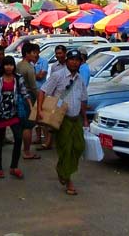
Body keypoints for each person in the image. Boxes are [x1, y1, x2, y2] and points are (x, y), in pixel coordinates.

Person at [36, 48, 89, 196]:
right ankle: (68, 179)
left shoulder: (80, 79)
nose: (74, 62)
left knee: (79, 147)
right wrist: (40, 110)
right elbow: (43, 91)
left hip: (76, 118)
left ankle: (62, 169)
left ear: (80, 62)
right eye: (71, 59)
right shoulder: (58, 76)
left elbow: (83, 99)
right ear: (66, 61)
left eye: (77, 60)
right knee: (65, 149)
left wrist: (84, 118)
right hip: (61, 118)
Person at [0, 56, 30, 179]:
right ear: (3, 66)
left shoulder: (18, 78)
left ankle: (14, 167)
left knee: (18, 138)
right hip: (0, 113)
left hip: (14, 112)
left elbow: (24, 93)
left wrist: (31, 107)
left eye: (11, 65)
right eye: (6, 65)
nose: (9, 67)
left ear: (14, 66)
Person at [16, 42, 42, 161]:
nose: (35, 55)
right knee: (28, 126)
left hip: (18, 97)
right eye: (33, 52)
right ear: (27, 53)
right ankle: (26, 151)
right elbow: (33, 87)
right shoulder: (29, 68)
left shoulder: (19, 65)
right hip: (28, 98)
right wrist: (40, 101)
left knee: (22, 125)